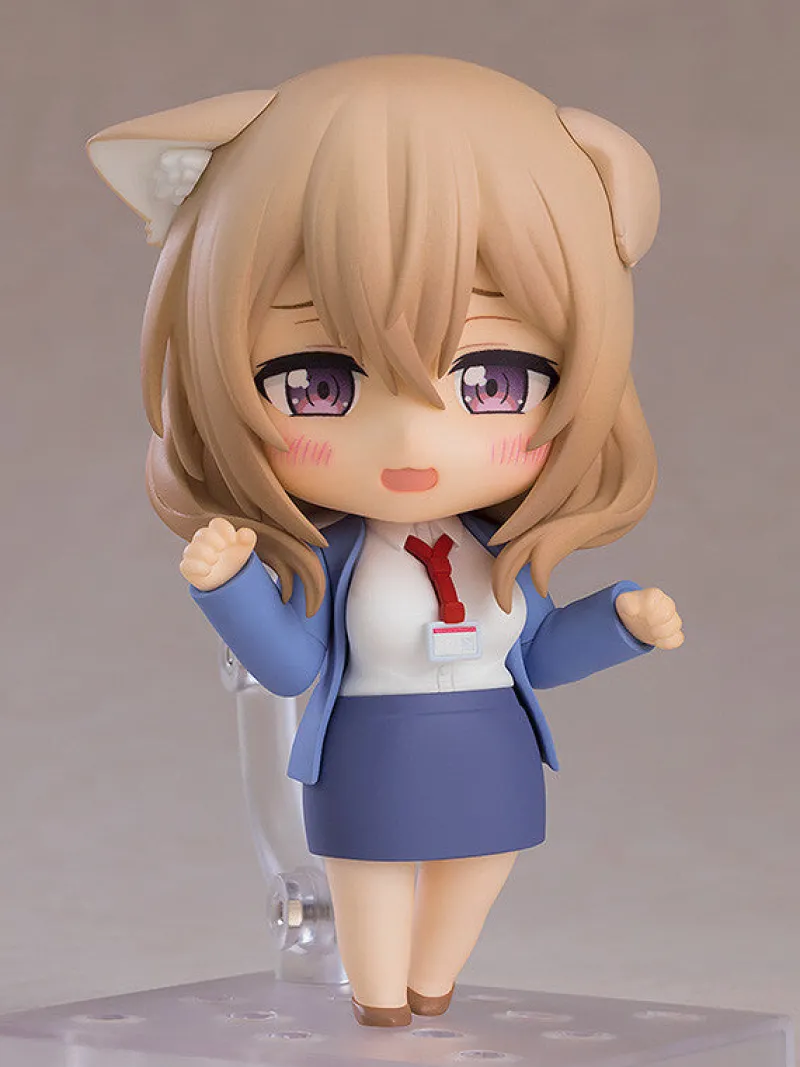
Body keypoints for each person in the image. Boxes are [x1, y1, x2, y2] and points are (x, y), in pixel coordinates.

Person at [88, 54, 684, 1028]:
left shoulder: (503, 549)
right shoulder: (330, 560)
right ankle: (379, 1009)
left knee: (481, 860)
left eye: (491, 380)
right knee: (365, 873)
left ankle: (430, 986)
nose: (411, 439)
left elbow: (536, 651)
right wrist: (230, 587)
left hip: (492, 743)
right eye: (319, 383)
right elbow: (291, 667)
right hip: (368, 744)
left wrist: (618, 623)